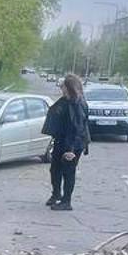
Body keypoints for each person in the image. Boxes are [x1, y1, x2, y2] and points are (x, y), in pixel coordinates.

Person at [43, 73, 89, 211]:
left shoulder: (77, 103)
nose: (61, 88)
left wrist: (71, 150)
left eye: (63, 86)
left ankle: (66, 201)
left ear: (69, 87)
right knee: (55, 169)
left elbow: (77, 128)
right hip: (61, 140)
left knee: (68, 171)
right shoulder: (66, 100)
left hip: (73, 143)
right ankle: (56, 194)